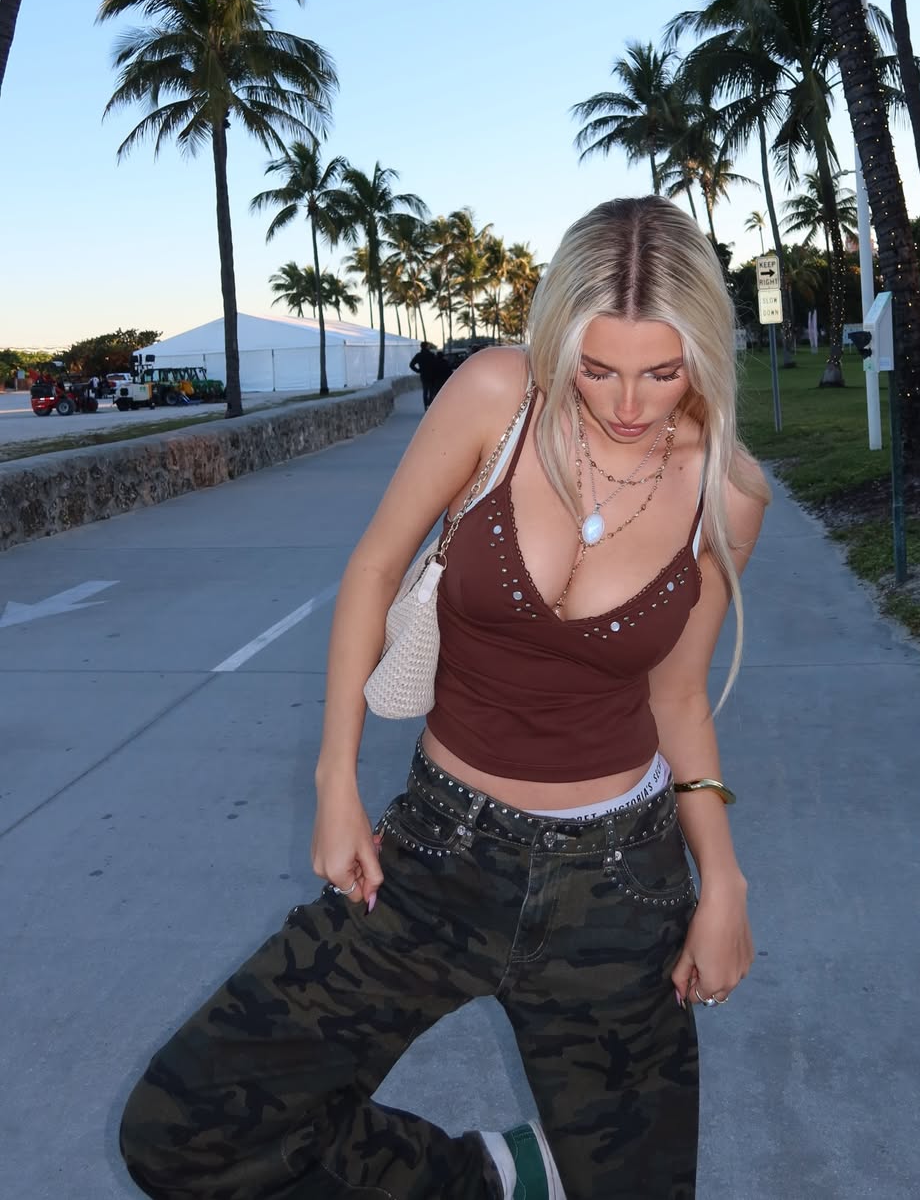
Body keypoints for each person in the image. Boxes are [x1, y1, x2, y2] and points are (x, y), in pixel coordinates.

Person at [119, 196, 771, 1200]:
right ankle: (489, 1179)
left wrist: (722, 880)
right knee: (184, 1129)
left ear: (706, 354)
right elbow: (375, 568)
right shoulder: (498, 398)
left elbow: (679, 697)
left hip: (618, 889)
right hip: (437, 853)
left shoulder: (726, 493)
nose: (627, 403)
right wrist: (336, 781)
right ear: (559, 337)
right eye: (597, 367)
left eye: (663, 371)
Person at [410, 339, 443, 408]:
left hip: (423, 375)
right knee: (431, 391)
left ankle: (425, 406)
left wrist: (418, 370)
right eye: (428, 346)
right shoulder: (431, 355)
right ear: (426, 347)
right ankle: (430, 405)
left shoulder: (419, 355)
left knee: (425, 391)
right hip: (432, 375)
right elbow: (436, 364)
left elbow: (411, 365)